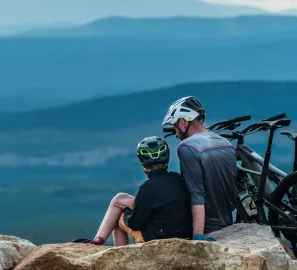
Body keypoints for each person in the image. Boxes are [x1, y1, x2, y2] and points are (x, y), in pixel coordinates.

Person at [73, 136, 192, 246]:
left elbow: (135, 224)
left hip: (159, 237)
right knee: (120, 198)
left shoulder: (147, 188)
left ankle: (109, 249)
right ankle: (98, 239)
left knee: (118, 217)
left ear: (143, 162)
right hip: (183, 233)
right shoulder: (177, 179)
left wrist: (127, 213)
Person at [162, 96, 237, 241]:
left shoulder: (187, 147)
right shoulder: (225, 143)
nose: (176, 133)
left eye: (174, 126)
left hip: (207, 227)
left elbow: (196, 192)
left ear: (182, 122)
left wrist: (197, 234)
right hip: (227, 222)